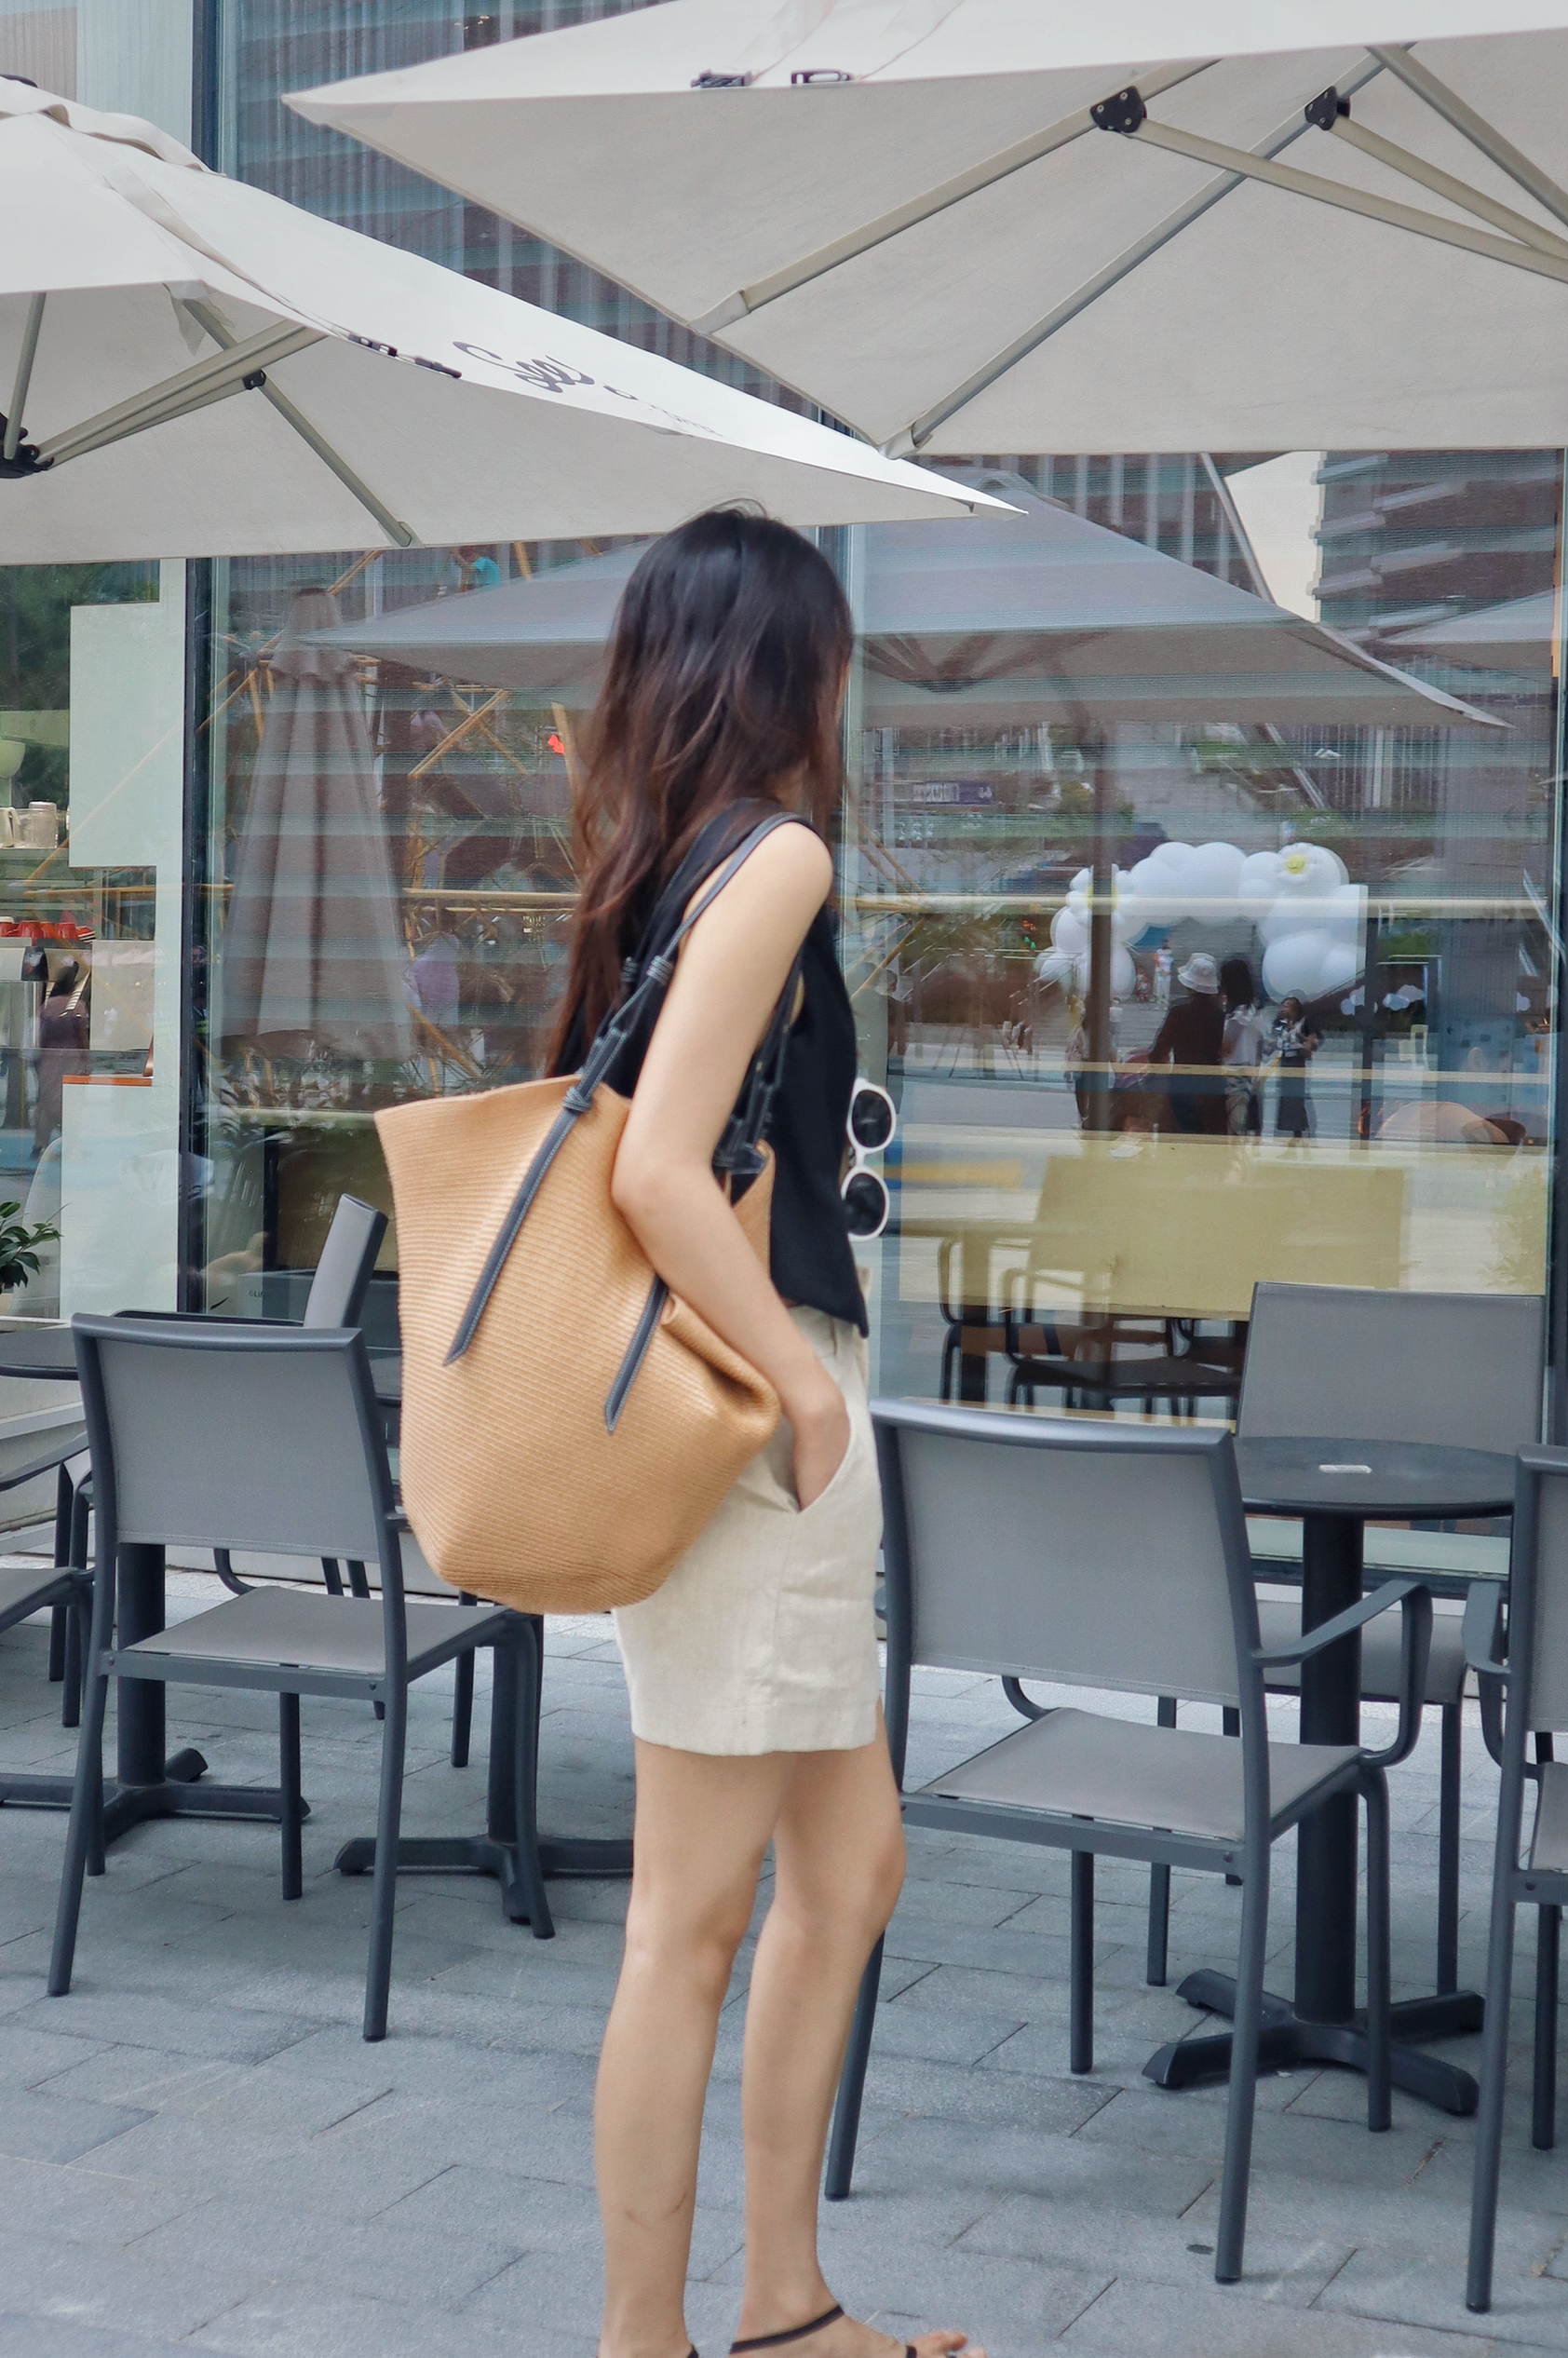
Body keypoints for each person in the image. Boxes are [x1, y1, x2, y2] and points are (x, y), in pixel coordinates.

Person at [547, 510, 979, 2358]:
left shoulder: (666, 865)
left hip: (730, 1407)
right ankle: (645, 2340)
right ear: (789, 669)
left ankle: (785, 2306)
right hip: (753, 1407)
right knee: (687, 1922)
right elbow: (656, 1167)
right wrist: (806, 1395)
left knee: (851, 1862)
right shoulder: (776, 856)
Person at [1147, 949, 1224, 1133]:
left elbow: (1159, 1050)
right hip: (1213, 1087)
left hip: (1183, 1084)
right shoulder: (1221, 1016)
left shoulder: (1179, 1013)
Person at [1219, 956, 1264, 1137]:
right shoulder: (1253, 1011)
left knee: (1235, 1128)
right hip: (1246, 1073)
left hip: (1235, 1074)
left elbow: (1226, 1045)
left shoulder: (1241, 1014)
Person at [1268, 995, 1320, 1142]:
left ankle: (1301, 1130)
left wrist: (1298, 1034)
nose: (1285, 1009)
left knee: (1297, 1097)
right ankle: (1293, 1130)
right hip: (1284, 1060)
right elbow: (1273, 1039)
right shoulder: (1280, 1023)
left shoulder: (1304, 1023)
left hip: (1297, 1061)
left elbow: (1313, 1044)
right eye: (1284, 1006)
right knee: (1287, 1098)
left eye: (1288, 1006)